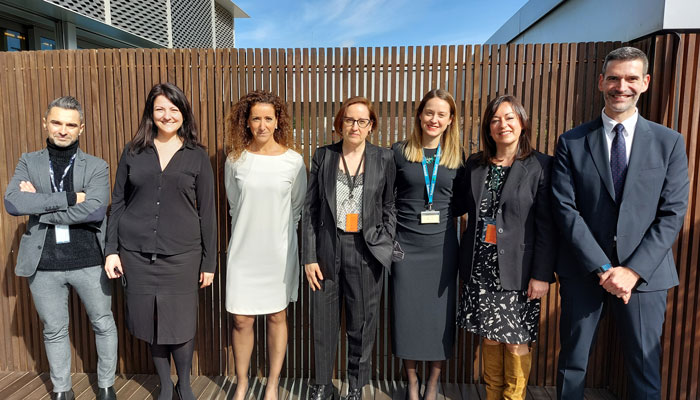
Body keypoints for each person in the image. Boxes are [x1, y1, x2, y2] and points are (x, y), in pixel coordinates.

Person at [552, 46, 689, 399]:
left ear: (644, 82)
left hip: (645, 277)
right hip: (585, 273)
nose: (621, 86)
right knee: (573, 365)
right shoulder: (572, 142)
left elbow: (672, 213)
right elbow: (566, 209)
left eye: (630, 78)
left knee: (644, 370)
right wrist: (602, 267)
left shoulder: (669, 142)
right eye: (613, 77)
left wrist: (632, 271)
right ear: (600, 82)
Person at [103, 83, 217, 400]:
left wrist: (209, 262)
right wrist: (111, 251)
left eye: (174, 109)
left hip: (182, 256)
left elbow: (207, 212)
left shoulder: (196, 156)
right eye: (160, 109)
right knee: (151, 321)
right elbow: (119, 202)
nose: (167, 115)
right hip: (136, 254)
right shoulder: (133, 151)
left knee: (180, 323)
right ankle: (165, 385)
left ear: (183, 114)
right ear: (151, 114)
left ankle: (185, 383)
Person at [4, 96, 118, 400]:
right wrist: (70, 198)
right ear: (45, 123)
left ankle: (106, 386)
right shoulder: (29, 161)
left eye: (70, 124)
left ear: (81, 128)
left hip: (89, 261)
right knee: (53, 330)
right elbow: (13, 202)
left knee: (103, 323)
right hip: (43, 264)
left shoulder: (96, 165)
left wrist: (38, 204)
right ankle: (61, 391)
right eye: (57, 122)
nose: (63, 130)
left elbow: (95, 210)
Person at [456, 95, 556, 400]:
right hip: (480, 266)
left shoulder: (540, 165)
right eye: (496, 119)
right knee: (489, 338)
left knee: (515, 341)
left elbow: (548, 226)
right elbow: (457, 203)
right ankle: (493, 395)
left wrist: (541, 275)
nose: (503, 125)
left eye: (510, 118)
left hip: (519, 271)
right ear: (488, 126)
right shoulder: (475, 163)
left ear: (522, 123)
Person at [303, 96, 396, 400]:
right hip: (328, 247)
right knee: (323, 322)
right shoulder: (324, 156)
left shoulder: (384, 158)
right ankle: (322, 384)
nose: (355, 126)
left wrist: (384, 241)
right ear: (339, 123)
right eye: (349, 120)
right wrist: (309, 256)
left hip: (366, 249)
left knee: (362, 323)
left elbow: (390, 205)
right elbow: (310, 209)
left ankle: (356, 385)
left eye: (362, 121)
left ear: (371, 126)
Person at [223, 90, 306, 400]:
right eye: (255, 118)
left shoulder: (293, 161)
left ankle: (272, 385)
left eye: (267, 118)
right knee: (241, 318)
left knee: (276, 316)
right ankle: (242, 383)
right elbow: (234, 205)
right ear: (246, 122)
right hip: (244, 251)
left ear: (277, 122)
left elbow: (297, 207)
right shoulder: (235, 160)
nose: (261, 124)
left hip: (279, 251)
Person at [390, 89, 464, 400]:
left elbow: (463, 205)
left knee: (439, 318)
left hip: (443, 249)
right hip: (405, 248)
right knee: (406, 315)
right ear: (420, 115)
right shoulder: (399, 152)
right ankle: (412, 382)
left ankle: (433, 383)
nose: (434, 119)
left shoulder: (459, 158)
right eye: (429, 112)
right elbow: (385, 201)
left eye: (441, 114)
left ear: (450, 121)